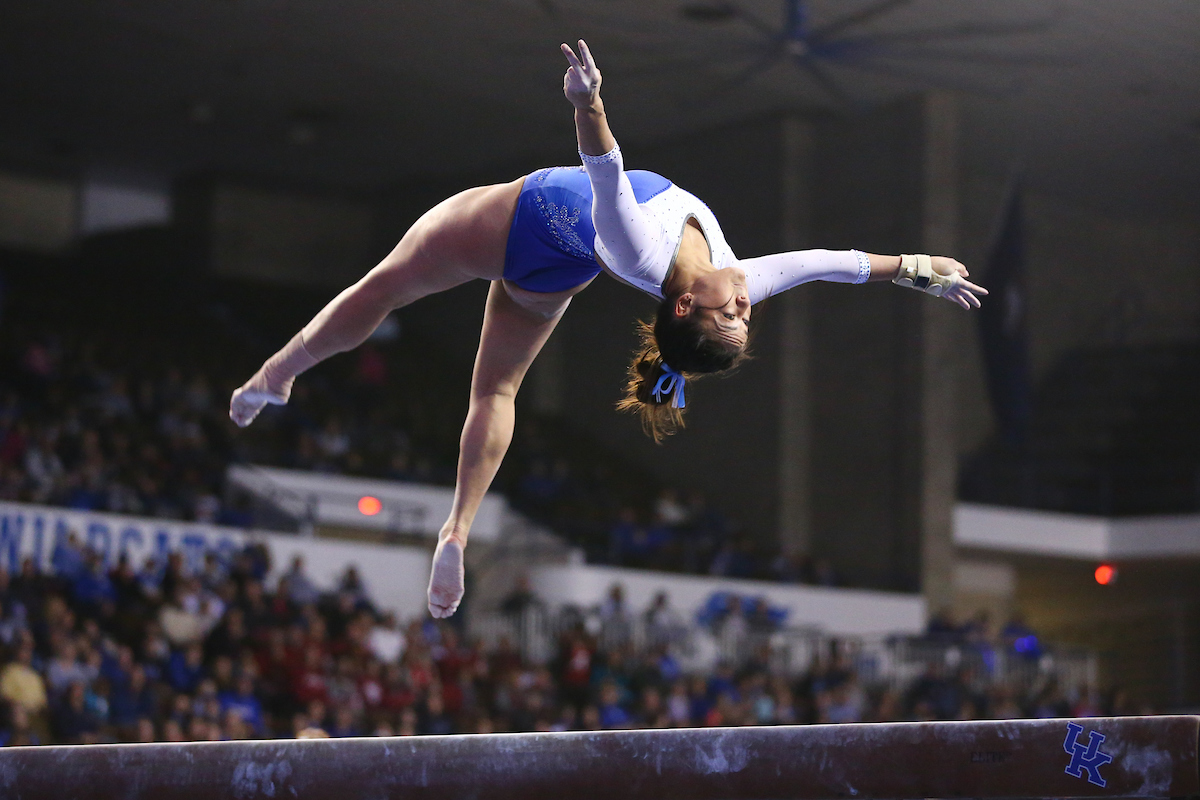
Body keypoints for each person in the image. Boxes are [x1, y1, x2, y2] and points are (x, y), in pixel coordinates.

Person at [229, 41, 987, 619]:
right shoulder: (734, 278)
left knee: (388, 289)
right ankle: (451, 524)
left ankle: (285, 375)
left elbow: (602, 165)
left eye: (732, 315)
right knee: (494, 384)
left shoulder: (642, 250)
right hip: (552, 273)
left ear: (685, 309)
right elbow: (834, 263)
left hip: (505, 224)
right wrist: (922, 269)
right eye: (744, 317)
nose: (746, 305)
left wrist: (586, 99)